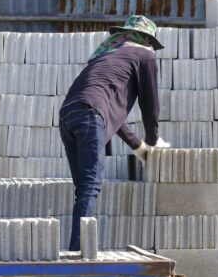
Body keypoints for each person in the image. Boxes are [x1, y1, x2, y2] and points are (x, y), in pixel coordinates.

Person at [59, 15, 168, 251]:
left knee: (83, 187)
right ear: (147, 39)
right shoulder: (145, 55)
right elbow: (150, 105)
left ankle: (76, 249)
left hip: (68, 115)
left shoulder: (105, 56)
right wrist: (153, 140)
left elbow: (109, 112)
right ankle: (78, 252)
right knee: (91, 184)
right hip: (90, 115)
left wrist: (138, 146)